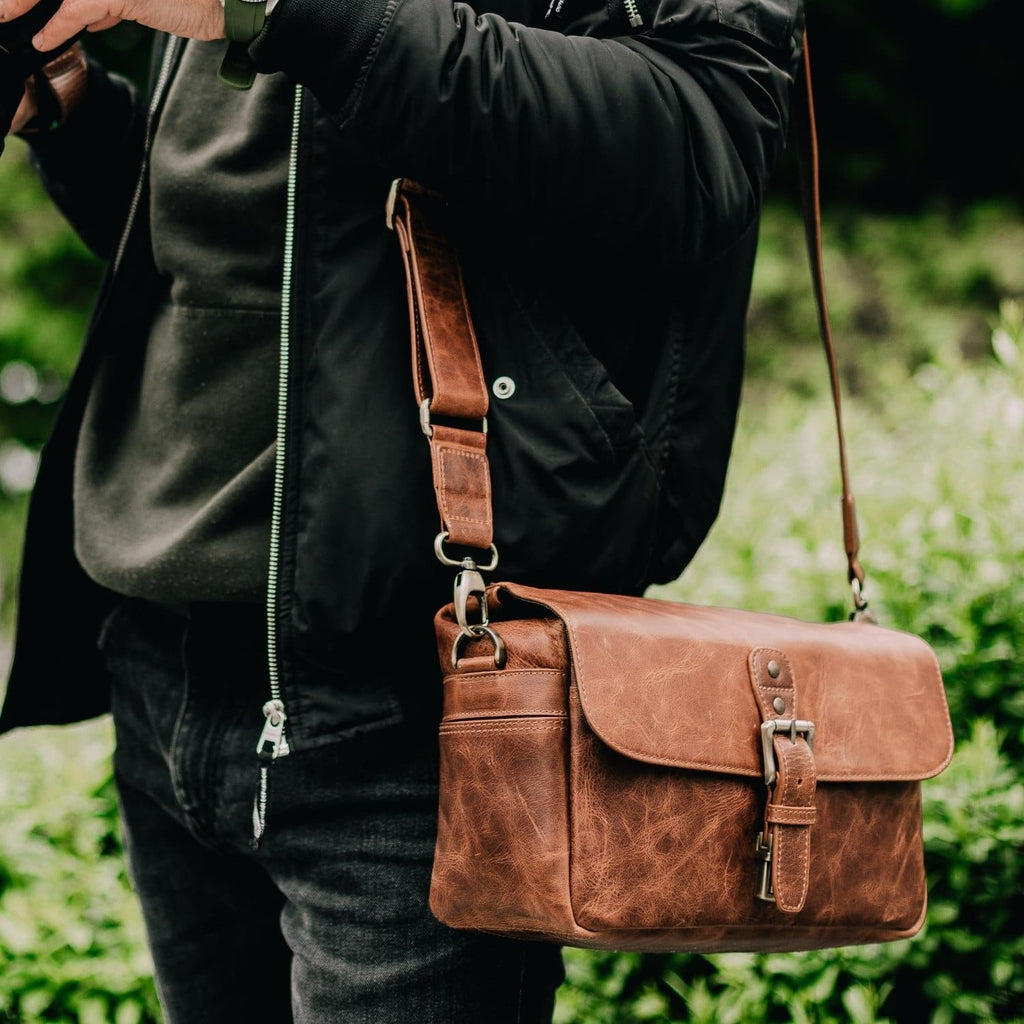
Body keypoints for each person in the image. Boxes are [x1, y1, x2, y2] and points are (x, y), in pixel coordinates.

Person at [0, 0, 804, 1019]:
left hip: (422, 695)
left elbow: (698, 138)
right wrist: (57, 93)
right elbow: (247, 251)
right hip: (164, 667)